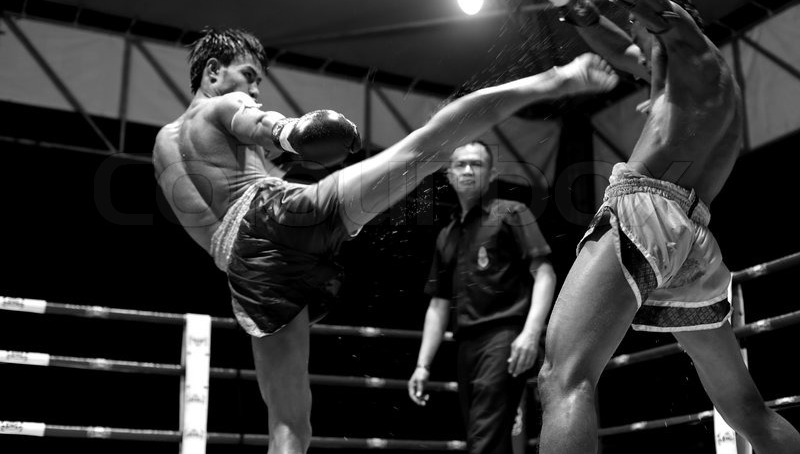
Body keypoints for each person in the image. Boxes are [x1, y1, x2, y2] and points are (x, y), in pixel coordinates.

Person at [153, 27, 619, 453]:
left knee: (289, 424)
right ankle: (556, 79)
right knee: (428, 147)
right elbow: (263, 123)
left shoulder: (165, 145)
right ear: (213, 70)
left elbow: (215, 234)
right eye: (247, 74)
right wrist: (295, 132)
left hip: (246, 273)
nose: (253, 88)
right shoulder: (223, 104)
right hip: (277, 217)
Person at [476, 0, 800, 453]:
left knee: (562, 378)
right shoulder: (683, 79)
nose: (630, 29)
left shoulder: (695, 54)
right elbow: (613, 40)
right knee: (745, 409)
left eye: (637, 21)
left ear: (667, 19)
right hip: (693, 243)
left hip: (648, 212)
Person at [408, 141, 556, 454]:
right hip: (465, 344)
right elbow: (437, 304)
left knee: (484, 436)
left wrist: (530, 333)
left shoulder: (512, 211)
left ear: (491, 173)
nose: (467, 170)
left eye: (476, 164)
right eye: (460, 164)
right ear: (448, 174)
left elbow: (544, 273)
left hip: (505, 336)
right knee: (487, 434)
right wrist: (422, 365)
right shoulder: (447, 234)